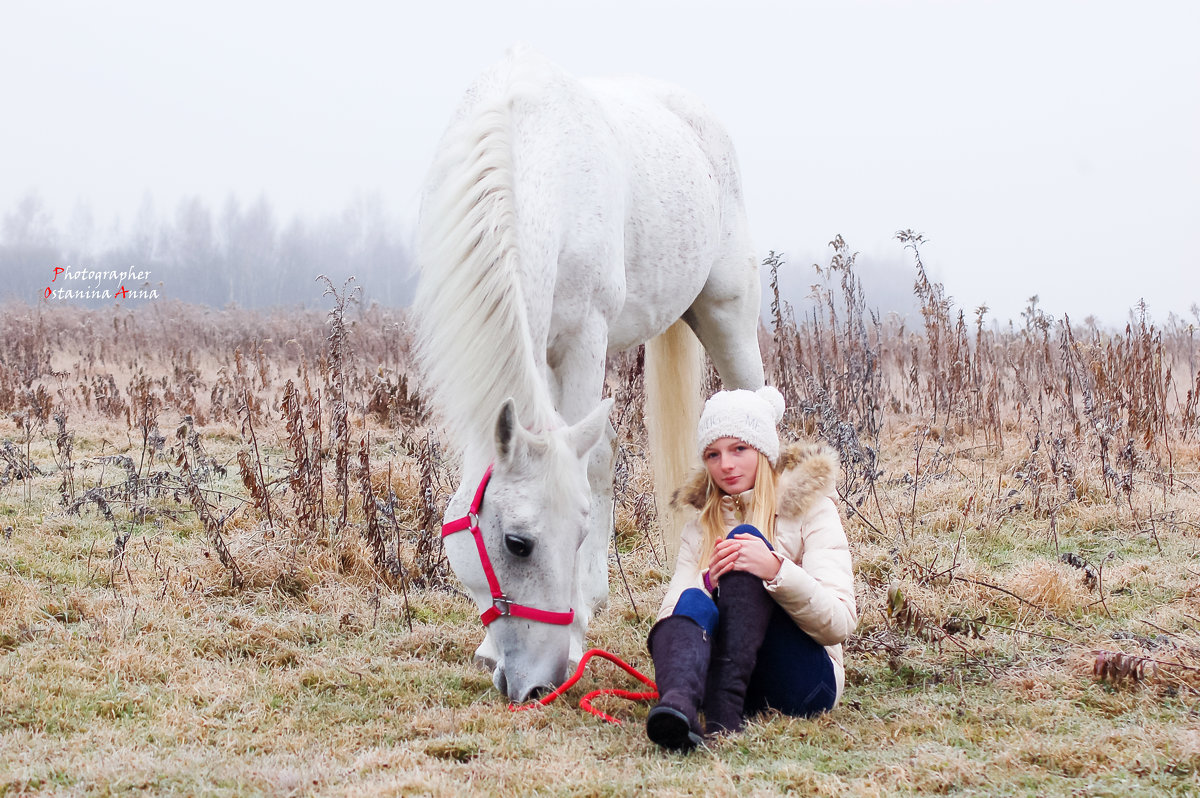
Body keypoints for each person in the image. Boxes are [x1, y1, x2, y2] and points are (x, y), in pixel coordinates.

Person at [645, 385, 857, 751]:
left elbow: (839, 623)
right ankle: (677, 707)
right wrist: (708, 579)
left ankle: (722, 718)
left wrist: (776, 570)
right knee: (695, 595)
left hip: (804, 685)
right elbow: (672, 617)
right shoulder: (700, 523)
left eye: (739, 449)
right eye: (713, 454)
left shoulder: (813, 510)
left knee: (745, 540)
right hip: (730, 683)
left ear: (763, 450)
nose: (725, 465)